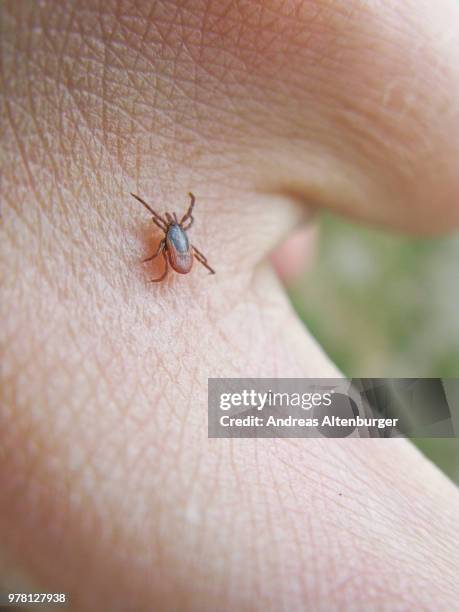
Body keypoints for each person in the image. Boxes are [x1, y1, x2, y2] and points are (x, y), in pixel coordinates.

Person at [1, 1, 459, 609]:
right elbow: (182, 237)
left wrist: (164, 258)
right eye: (169, 235)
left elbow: (173, 246)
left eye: (171, 233)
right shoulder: (178, 238)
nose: (169, 234)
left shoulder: (169, 246)